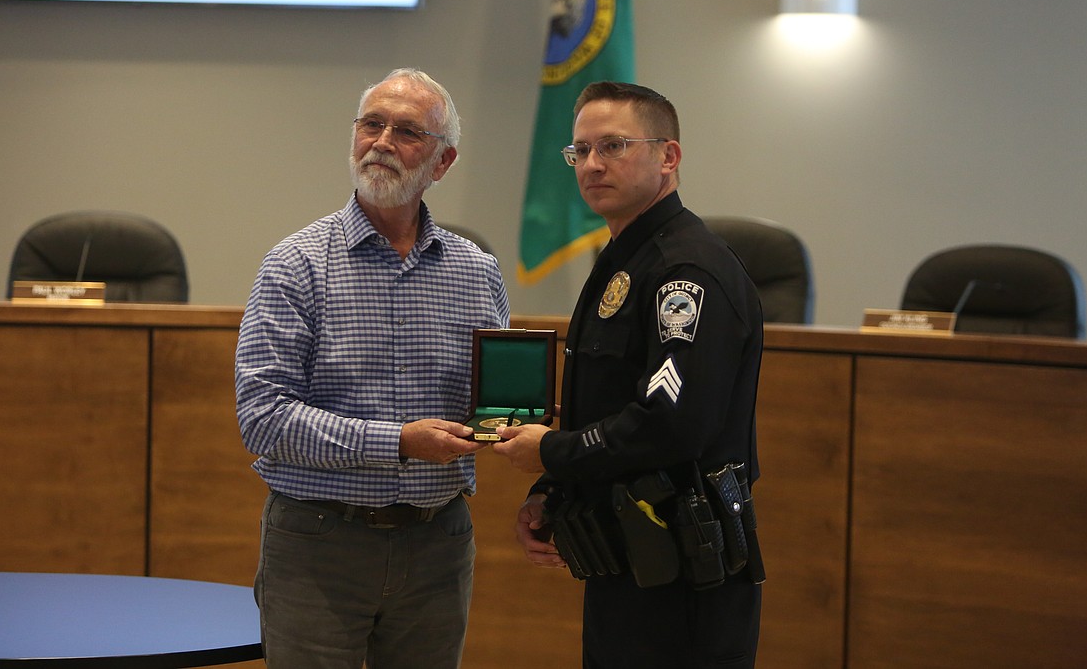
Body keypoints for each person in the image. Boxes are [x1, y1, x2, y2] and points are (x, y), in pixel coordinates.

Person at [235, 68, 510, 669]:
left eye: (408, 131)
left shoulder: (477, 272)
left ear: (442, 162)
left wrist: (519, 422)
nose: (383, 141)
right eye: (371, 124)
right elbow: (262, 420)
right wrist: (400, 443)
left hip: (439, 541)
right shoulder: (295, 264)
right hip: (318, 542)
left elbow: (495, 403)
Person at [493, 81, 764, 668]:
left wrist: (555, 453)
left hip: (688, 573)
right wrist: (554, 491)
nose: (592, 164)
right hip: (627, 559)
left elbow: (673, 424)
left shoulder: (684, 271)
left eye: (613, 146)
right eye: (580, 151)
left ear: (669, 156)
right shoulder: (624, 260)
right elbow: (608, 404)